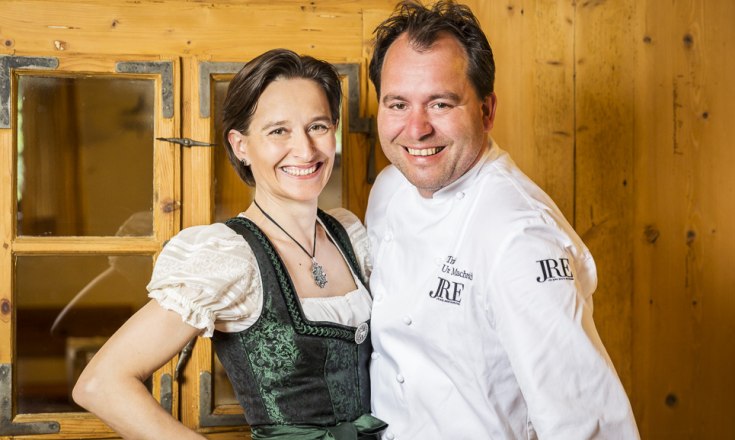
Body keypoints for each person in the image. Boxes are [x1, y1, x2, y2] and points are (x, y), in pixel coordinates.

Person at [73, 49, 386, 440]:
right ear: (240, 145)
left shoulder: (348, 235)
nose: (305, 150)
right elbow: (101, 383)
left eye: (318, 126)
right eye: (278, 131)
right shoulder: (230, 257)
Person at [365, 1, 640, 439]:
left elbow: (587, 422)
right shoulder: (388, 189)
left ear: (486, 111)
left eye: (440, 103)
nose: (415, 130)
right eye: (398, 104)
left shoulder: (520, 237)